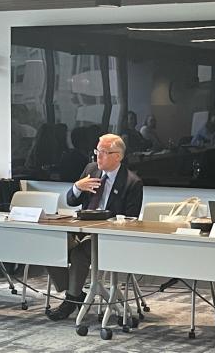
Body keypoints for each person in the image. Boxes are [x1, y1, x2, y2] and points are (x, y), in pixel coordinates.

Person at [46, 133, 143, 321]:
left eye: (104, 152)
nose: (98, 156)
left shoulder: (132, 182)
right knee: (48, 245)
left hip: (108, 237)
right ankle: (75, 291)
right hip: (81, 229)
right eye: (97, 151)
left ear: (118, 156)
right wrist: (77, 187)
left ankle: (71, 301)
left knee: (79, 253)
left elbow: (131, 221)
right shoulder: (91, 169)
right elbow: (71, 201)